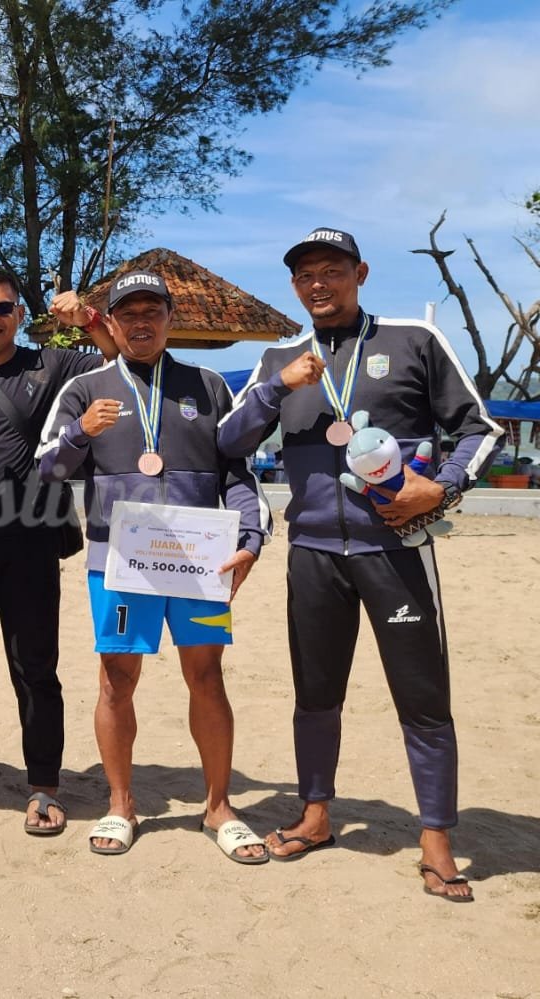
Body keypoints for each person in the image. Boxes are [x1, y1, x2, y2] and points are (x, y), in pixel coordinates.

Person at [219, 227, 504, 901]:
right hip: (314, 552)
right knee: (316, 696)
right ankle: (316, 814)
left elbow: (479, 428)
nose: (319, 283)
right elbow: (228, 441)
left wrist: (444, 487)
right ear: (294, 286)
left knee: (424, 700)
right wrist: (274, 388)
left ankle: (437, 840)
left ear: (360, 273)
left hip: (396, 551)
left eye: (332, 270)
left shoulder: (413, 341)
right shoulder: (280, 357)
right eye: (306, 275)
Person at [38, 271, 271, 860]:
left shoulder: (211, 385)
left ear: (170, 318)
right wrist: (78, 435)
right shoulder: (87, 389)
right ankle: (121, 806)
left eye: (153, 311)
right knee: (117, 681)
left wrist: (249, 539)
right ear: (110, 323)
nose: (140, 322)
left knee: (208, 677)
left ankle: (218, 807)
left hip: (202, 564)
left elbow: (241, 475)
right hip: (117, 565)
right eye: (128, 313)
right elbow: (47, 468)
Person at [0, 269, 115, 830]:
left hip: (32, 540)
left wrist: (85, 319)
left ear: (18, 315)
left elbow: (117, 363)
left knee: (36, 666)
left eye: (2, 308)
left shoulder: (51, 365)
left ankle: (43, 784)